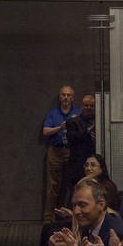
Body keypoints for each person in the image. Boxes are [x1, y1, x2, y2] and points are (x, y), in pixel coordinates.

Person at [41, 85, 80, 222]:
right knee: (52, 186)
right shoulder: (53, 113)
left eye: (69, 95)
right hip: (55, 151)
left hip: (71, 151)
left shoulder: (77, 112)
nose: (66, 98)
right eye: (63, 95)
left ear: (73, 98)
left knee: (73, 186)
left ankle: (72, 217)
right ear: (59, 97)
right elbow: (45, 132)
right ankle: (48, 218)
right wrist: (60, 127)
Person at [59, 94, 97, 206]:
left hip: (96, 162)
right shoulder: (72, 122)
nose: (89, 108)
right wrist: (88, 131)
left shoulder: (100, 121)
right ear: (81, 106)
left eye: (92, 106)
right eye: (86, 105)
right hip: (78, 164)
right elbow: (71, 139)